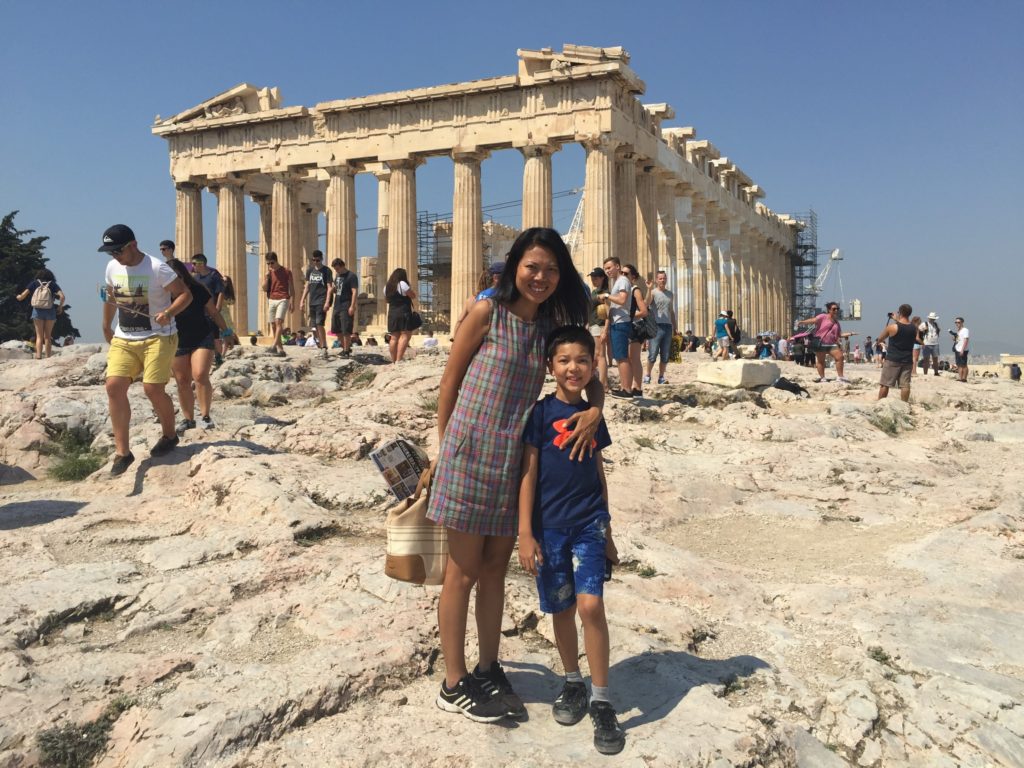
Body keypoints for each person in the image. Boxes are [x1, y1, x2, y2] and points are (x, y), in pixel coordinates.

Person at [427, 227, 602, 724]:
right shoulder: (486, 313)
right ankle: (454, 681)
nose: (541, 277)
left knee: (493, 571)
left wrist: (595, 412)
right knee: (460, 572)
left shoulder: (551, 327)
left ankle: (487, 666)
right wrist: (445, 449)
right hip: (469, 453)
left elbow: (591, 372)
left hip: (516, 462)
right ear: (515, 266)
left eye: (551, 269)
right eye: (532, 266)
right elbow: (450, 383)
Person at [517, 325, 625, 755]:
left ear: (592, 365)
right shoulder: (540, 415)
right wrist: (525, 532)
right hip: (548, 527)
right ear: (550, 366)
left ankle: (601, 698)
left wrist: (610, 532)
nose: (573, 367)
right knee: (561, 608)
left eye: (582, 359)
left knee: (590, 605)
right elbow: (527, 473)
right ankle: (572, 681)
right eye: (564, 360)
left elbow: (598, 472)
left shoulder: (592, 417)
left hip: (588, 523)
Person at [98, 224, 193, 476]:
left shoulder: (156, 267)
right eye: (110, 252)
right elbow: (110, 297)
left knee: (152, 388)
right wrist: (106, 324)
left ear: (133, 245)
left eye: (118, 250)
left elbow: (185, 295)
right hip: (124, 337)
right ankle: (122, 452)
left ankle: (170, 435)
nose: (115, 256)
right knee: (113, 386)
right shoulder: (112, 267)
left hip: (158, 336)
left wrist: (169, 312)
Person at [165, 259, 233, 433]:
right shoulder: (162, 294)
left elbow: (213, 312)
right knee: (182, 381)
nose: (176, 280)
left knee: (200, 375)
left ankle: (205, 416)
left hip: (202, 336)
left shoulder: (197, 289)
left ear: (184, 274)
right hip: (176, 340)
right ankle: (188, 419)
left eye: (178, 276)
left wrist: (226, 332)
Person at [600, 257, 633, 399]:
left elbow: (622, 299)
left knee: (621, 357)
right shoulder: (618, 282)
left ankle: (626, 390)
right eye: (605, 269)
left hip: (621, 323)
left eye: (609, 267)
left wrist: (607, 296)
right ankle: (625, 387)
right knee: (621, 357)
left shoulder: (623, 281)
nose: (607, 271)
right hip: (618, 322)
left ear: (618, 267)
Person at [16, 268, 65, 359]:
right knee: (47, 336)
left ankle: (38, 355)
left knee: (39, 336)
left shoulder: (34, 283)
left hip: (37, 311)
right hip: (50, 311)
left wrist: (18, 297)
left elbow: (22, 296)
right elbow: (62, 296)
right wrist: (60, 307)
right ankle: (48, 356)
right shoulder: (53, 284)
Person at [797, 302, 853, 383]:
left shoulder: (837, 323)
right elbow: (813, 320)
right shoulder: (823, 317)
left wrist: (851, 333)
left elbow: (839, 335)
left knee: (840, 357)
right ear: (829, 310)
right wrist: (802, 322)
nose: (836, 310)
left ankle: (840, 377)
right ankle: (822, 378)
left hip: (832, 344)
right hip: (821, 342)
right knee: (821, 361)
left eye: (837, 309)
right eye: (834, 309)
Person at [875, 303, 918, 402]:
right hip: (907, 360)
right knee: (905, 385)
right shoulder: (914, 328)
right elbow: (906, 327)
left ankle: (880, 404)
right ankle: (904, 404)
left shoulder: (892, 327)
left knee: (885, 384)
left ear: (900, 313)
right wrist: (897, 319)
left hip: (893, 359)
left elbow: (880, 338)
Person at [190, 254, 226, 363]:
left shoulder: (213, 276)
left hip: (212, 310)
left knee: (215, 335)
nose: (192, 266)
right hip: (199, 311)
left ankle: (218, 356)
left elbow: (220, 291)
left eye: (194, 264)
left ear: (201, 264)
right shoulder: (195, 278)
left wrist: (218, 307)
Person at [644, 270, 675, 385]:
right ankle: (647, 375)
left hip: (668, 326)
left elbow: (671, 311)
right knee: (653, 353)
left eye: (664, 278)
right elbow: (646, 303)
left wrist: (675, 326)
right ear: (657, 280)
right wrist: (648, 289)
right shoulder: (653, 292)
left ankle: (661, 377)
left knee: (665, 354)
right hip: (656, 326)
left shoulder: (670, 294)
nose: (662, 280)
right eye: (660, 278)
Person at [622, 264, 649, 397]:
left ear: (633, 276)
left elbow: (644, 311)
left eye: (626, 273)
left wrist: (629, 316)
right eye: (621, 273)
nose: (623, 275)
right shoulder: (624, 290)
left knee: (634, 358)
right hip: (627, 325)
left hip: (636, 326)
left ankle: (637, 388)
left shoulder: (635, 290)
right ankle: (629, 386)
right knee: (627, 357)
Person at [300, 250, 332, 360]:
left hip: (321, 300)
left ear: (321, 259)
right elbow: (307, 286)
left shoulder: (327, 270)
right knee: (314, 327)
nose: (315, 262)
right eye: (313, 260)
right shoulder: (310, 270)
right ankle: (320, 345)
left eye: (317, 260)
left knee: (319, 323)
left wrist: (327, 302)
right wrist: (302, 300)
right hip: (312, 301)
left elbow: (329, 287)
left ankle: (324, 346)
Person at [385, 267, 417, 365]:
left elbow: (387, 300)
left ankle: (393, 360)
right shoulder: (402, 284)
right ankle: (399, 359)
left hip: (392, 313)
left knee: (394, 337)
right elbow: (412, 295)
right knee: (405, 336)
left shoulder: (387, 287)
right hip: (403, 312)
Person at [327, 257, 358, 358]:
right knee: (336, 330)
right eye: (335, 269)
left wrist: (352, 306)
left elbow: (354, 292)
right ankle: (346, 348)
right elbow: (338, 290)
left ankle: (346, 351)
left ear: (342, 266)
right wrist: (332, 290)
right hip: (337, 305)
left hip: (346, 304)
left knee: (346, 329)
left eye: (337, 268)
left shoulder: (351, 276)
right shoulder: (338, 276)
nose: (336, 270)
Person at [264, 252, 294, 356]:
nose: (270, 265)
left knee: (278, 322)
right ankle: (280, 349)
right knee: (272, 324)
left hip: (283, 298)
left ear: (276, 260)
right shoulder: (269, 273)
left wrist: (292, 302)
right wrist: (267, 278)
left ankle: (273, 346)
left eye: (271, 263)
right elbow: (264, 288)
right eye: (268, 263)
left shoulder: (286, 271)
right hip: (272, 299)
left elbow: (292, 288)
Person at [587, 267, 610, 390]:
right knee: (597, 354)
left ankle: (603, 384)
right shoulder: (594, 292)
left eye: (595, 277)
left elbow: (608, 312)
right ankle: (603, 382)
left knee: (600, 355)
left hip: (599, 325)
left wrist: (605, 329)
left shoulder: (605, 293)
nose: (593, 280)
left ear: (602, 278)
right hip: (593, 325)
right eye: (592, 277)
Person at [920, 312, 941, 376]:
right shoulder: (924, 324)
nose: (932, 320)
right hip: (926, 343)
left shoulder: (936, 324)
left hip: (935, 343)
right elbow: (919, 331)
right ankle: (925, 373)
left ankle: (936, 372)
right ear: (929, 318)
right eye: (931, 318)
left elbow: (937, 331)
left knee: (935, 359)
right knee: (926, 359)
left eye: (933, 318)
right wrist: (923, 329)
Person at [951, 317, 970, 382]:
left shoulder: (965, 330)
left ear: (962, 323)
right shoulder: (958, 331)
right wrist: (954, 339)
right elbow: (959, 340)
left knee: (964, 364)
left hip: (963, 349)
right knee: (959, 364)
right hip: (957, 349)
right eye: (956, 322)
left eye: (958, 322)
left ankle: (964, 378)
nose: (957, 323)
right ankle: (960, 377)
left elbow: (966, 340)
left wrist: (962, 349)